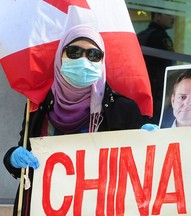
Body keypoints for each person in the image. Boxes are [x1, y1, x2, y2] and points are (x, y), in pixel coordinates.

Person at [3, 24, 150, 215]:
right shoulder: (38, 105)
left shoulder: (122, 109)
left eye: (93, 55)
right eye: (74, 51)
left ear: (102, 62)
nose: (83, 60)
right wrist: (12, 158)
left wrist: (153, 142)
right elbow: (25, 158)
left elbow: (143, 171)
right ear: (60, 57)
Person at [137, 12, 175, 124]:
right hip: (157, 89)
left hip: (143, 86)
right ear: (157, 16)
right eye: (168, 14)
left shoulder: (142, 34)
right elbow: (168, 64)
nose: (172, 17)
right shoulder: (160, 36)